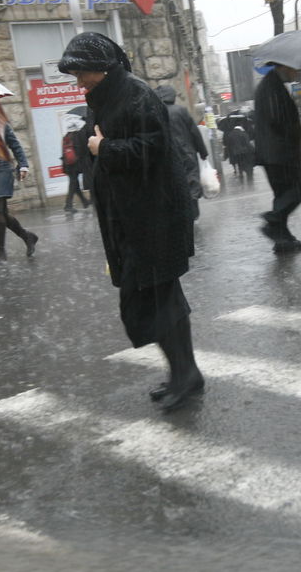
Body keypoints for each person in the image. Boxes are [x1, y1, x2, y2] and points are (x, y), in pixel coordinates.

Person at [59, 31, 204, 413]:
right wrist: (91, 144)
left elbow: (152, 150)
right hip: (132, 220)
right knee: (155, 299)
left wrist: (103, 148)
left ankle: (185, 374)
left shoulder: (137, 95)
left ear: (102, 68)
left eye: (82, 73)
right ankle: (183, 372)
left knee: (160, 300)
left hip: (154, 218)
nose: (79, 83)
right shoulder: (103, 99)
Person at [253, 62, 301, 253]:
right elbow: (277, 118)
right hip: (279, 152)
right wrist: (296, 131)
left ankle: (282, 240)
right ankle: (273, 219)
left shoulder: (271, 84)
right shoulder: (271, 86)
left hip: (275, 152)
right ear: (285, 66)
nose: (298, 72)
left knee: (283, 194)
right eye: (296, 68)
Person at [0, 123, 38, 264]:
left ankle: (1, 251)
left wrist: (23, 164)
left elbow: (15, 145)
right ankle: (27, 237)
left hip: (1, 168)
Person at [157, 83, 209, 220]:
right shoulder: (181, 111)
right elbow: (194, 133)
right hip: (186, 152)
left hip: (167, 155)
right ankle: (193, 211)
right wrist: (203, 152)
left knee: (173, 182)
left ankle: (178, 211)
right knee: (191, 180)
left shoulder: (155, 113)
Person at [60, 123, 90, 214]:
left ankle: (85, 201)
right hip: (75, 165)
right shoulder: (76, 136)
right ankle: (68, 205)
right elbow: (81, 150)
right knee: (73, 185)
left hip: (67, 165)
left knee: (75, 184)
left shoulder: (65, 137)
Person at [222, 123, 256, 187]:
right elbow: (248, 144)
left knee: (240, 166)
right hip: (245, 154)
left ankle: (241, 178)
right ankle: (250, 184)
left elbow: (228, 146)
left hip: (235, 155)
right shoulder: (243, 134)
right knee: (248, 169)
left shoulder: (230, 135)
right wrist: (253, 150)